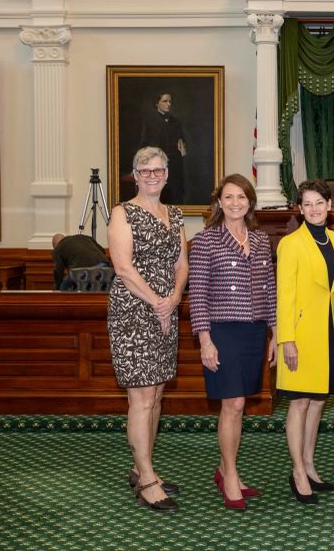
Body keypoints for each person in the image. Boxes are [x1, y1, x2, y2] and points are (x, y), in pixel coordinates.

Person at [188, 174, 277, 511]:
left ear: (250, 202)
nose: (235, 203)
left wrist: (274, 332)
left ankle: (227, 471)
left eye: (241, 197)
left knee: (240, 405)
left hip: (253, 332)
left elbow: (269, 289)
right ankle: (230, 475)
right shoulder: (206, 240)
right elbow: (197, 295)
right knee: (234, 404)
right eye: (229, 197)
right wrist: (205, 342)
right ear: (219, 202)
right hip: (222, 331)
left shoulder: (260, 239)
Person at [107, 146, 188, 512]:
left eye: (158, 170)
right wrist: (158, 302)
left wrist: (173, 298)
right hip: (134, 312)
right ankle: (147, 479)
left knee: (156, 396)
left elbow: (181, 263)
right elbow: (123, 268)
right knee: (140, 399)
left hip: (166, 309)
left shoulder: (175, 214)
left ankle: (143, 468)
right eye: (145, 170)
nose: (152, 175)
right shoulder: (122, 213)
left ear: (167, 174)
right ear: (134, 175)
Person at [276, 179, 334, 505]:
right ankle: (296, 471)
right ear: (300, 209)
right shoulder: (290, 244)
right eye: (308, 204)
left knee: (318, 401)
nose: (315, 208)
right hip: (301, 336)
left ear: (329, 205)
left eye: (320, 202)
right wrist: (287, 339)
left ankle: (309, 463)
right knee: (300, 402)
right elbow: (284, 297)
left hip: (328, 334)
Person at [139, 92, 187, 205]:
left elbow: (182, 144)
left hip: (175, 169)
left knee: (176, 198)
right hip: (157, 169)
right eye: (165, 101)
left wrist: (182, 147)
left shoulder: (176, 122)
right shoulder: (150, 122)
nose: (169, 104)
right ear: (157, 103)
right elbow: (144, 147)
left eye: (170, 101)